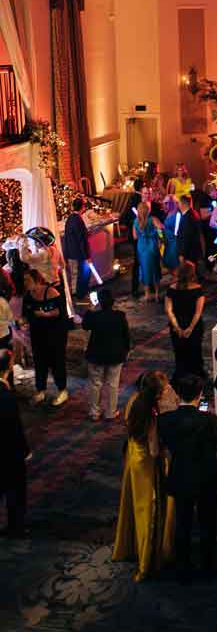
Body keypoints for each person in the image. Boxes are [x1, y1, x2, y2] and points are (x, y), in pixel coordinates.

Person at [158, 374, 217, 583]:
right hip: (207, 476)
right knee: (207, 523)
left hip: (181, 474)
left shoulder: (165, 420)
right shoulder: (208, 419)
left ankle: (183, 566)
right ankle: (207, 565)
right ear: (200, 395)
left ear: (178, 394)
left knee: (183, 522)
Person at [112, 371, 176, 581]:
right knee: (147, 510)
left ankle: (129, 547)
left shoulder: (132, 400)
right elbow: (155, 449)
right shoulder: (151, 414)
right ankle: (146, 562)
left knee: (132, 504)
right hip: (147, 464)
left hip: (132, 456)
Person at [82, 288, 131, 421]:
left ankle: (94, 412)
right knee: (112, 384)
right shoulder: (120, 315)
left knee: (95, 384)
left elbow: (85, 325)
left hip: (96, 355)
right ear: (112, 302)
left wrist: (90, 309)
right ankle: (110, 412)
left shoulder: (94, 316)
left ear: (99, 302)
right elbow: (126, 335)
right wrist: (127, 350)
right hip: (115, 355)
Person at [21, 270, 68, 406]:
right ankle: (40, 390)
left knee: (56, 362)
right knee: (39, 362)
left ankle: (62, 390)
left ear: (37, 280)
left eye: (28, 280)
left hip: (54, 334)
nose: (25, 283)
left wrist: (46, 314)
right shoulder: (28, 296)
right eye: (24, 280)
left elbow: (61, 312)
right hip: (37, 334)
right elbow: (26, 314)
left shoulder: (52, 292)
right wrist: (22, 322)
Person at [0, 350, 31, 537]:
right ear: (9, 367)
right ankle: (16, 526)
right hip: (7, 452)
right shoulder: (6, 396)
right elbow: (14, 428)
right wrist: (24, 450)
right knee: (15, 490)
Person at [165, 261, 206, 382]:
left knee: (179, 353)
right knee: (195, 352)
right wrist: (190, 328)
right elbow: (197, 312)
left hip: (177, 325)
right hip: (193, 326)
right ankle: (196, 379)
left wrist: (177, 328)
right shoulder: (198, 289)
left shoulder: (171, 289)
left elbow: (169, 311)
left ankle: (181, 378)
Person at [133, 201, 163, 302]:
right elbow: (161, 229)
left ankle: (147, 294)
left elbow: (135, 236)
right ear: (147, 210)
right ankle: (157, 294)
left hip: (141, 247)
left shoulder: (136, 221)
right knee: (155, 269)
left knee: (144, 269)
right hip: (152, 245)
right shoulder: (153, 219)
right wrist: (159, 237)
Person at [63, 196, 91, 300]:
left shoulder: (69, 219)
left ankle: (75, 295)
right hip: (78, 253)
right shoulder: (78, 220)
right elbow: (81, 240)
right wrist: (86, 256)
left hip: (70, 253)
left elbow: (67, 238)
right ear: (82, 207)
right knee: (80, 275)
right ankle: (79, 295)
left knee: (74, 275)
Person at [176, 194, 204, 268]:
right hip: (193, 251)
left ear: (183, 204)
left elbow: (186, 238)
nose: (178, 205)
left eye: (178, 203)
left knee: (189, 274)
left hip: (189, 253)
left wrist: (182, 254)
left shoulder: (187, 218)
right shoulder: (192, 214)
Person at [161, 195, 180, 275]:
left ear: (172, 203)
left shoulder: (177, 215)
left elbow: (178, 232)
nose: (164, 205)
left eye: (166, 203)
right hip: (167, 243)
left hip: (174, 244)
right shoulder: (169, 213)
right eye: (164, 203)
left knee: (176, 269)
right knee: (171, 268)